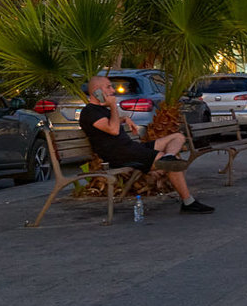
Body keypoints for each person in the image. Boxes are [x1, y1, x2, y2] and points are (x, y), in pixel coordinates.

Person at [79, 74, 215, 215]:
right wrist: (113, 105)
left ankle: (167, 157)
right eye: (108, 87)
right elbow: (112, 130)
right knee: (173, 164)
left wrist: (124, 118)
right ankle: (188, 202)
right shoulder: (89, 112)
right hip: (120, 154)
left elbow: (108, 123)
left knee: (177, 137)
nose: (112, 90)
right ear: (97, 91)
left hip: (131, 148)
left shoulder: (100, 111)